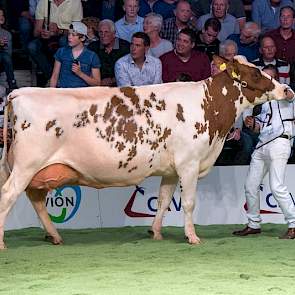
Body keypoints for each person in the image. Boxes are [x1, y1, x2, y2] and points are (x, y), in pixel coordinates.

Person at [233, 64, 295, 239]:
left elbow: (290, 96)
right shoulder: (264, 101)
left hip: (280, 142)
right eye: (263, 76)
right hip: (262, 145)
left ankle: (293, 223)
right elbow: (259, 128)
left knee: (277, 186)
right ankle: (253, 224)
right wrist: (252, 124)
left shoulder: (284, 90)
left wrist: (280, 89)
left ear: (275, 79)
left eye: (270, 77)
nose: (266, 80)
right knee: (251, 185)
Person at [28, 0, 83, 85]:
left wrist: (59, 31)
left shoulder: (75, 2)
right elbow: (36, 32)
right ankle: (51, 77)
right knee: (32, 46)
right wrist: (42, 33)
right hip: (48, 37)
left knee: (63, 41)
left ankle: (63, 78)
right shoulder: (44, 2)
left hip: (66, 35)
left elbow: (77, 32)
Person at [50, 21, 101, 88]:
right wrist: (51, 93)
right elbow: (54, 76)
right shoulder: (61, 52)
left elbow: (97, 83)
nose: (69, 37)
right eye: (69, 34)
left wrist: (80, 73)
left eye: (73, 35)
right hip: (63, 92)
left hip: (81, 94)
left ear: (82, 38)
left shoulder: (92, 56)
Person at [88, 19, 130, 86]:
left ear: (114, 34)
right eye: (100, 32)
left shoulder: (126, 47)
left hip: (120, 85)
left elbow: (131, 70)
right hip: (98, 86)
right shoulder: (92, 47)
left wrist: (112, 80)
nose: (103, 35)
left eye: (106, 32)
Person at [0, 9, 18, 92]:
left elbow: (8, 55)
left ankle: (12, 84)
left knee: (5, 57)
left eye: (2, 15)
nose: (1, 17)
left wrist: (2, 47)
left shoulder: (6, 34)